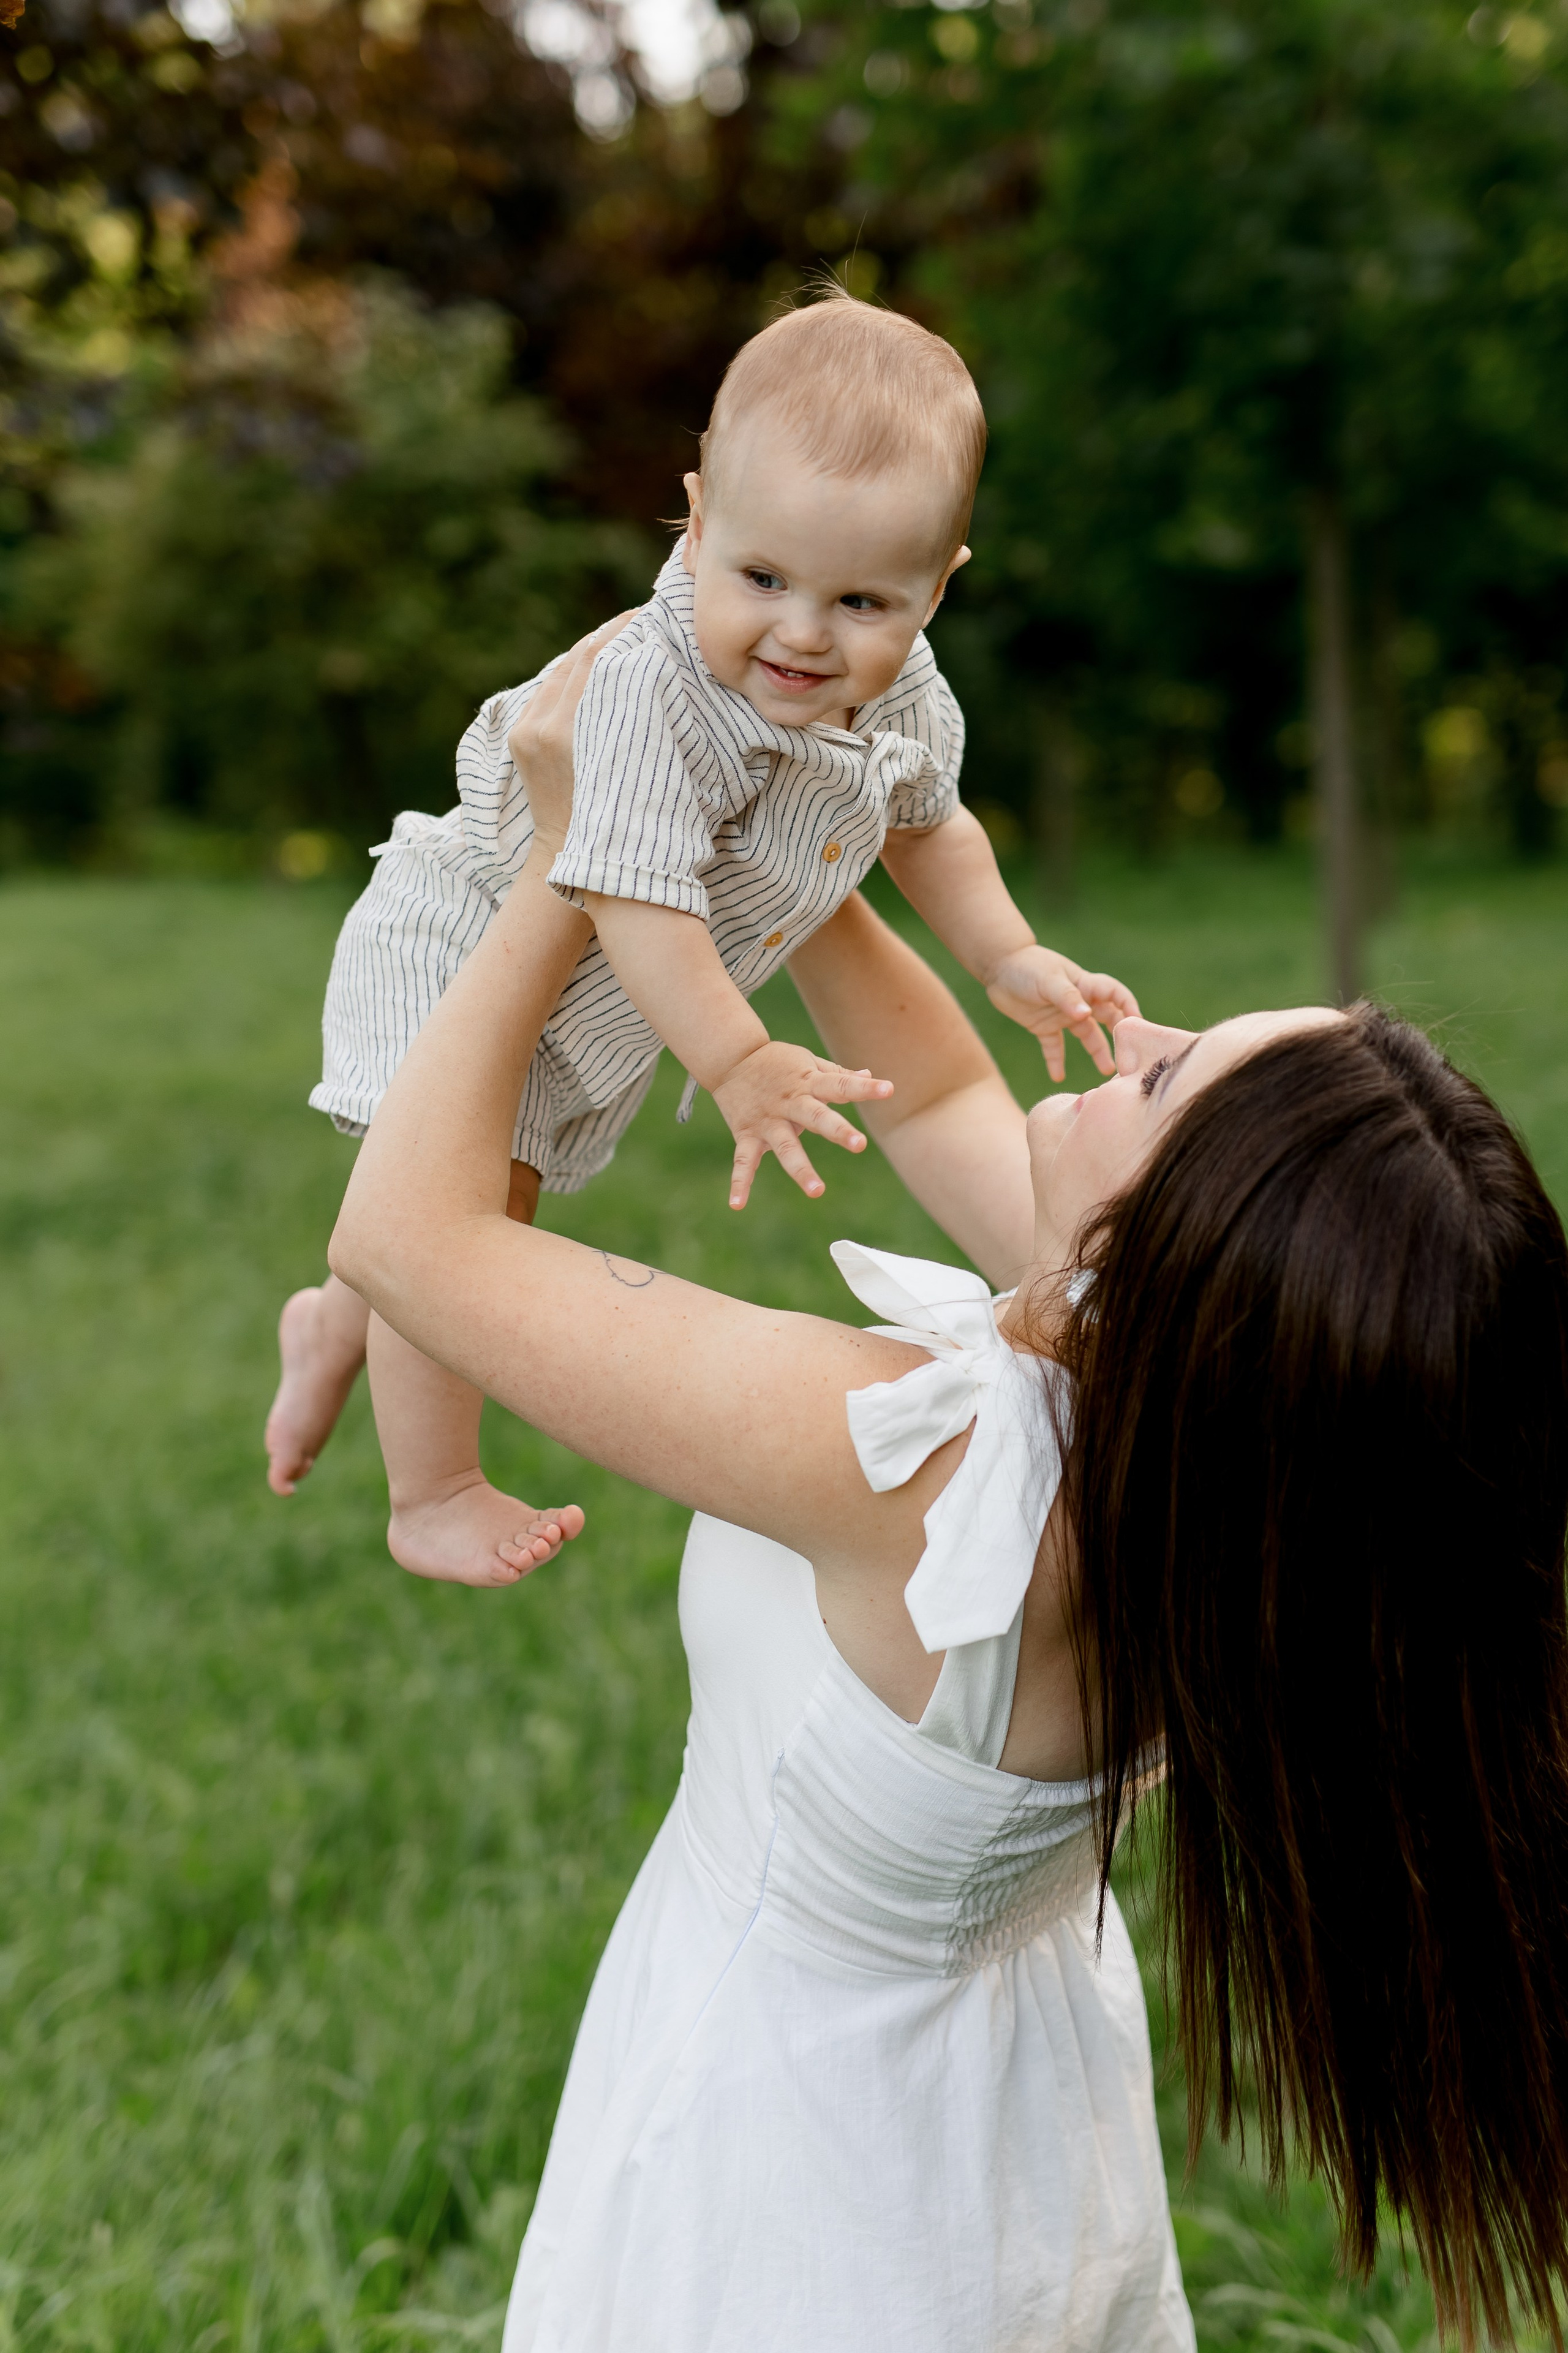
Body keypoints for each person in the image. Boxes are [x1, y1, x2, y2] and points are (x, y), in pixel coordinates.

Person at [329, 633, 1568, 2352]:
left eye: (1164, 1075)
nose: (1141, 1030)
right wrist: (771, 798)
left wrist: (573, 849)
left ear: (1169, 1251)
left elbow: (405, 1236)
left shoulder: (916, 1468)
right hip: (1002, 2140)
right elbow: (937, 1092)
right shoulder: (1196, 1449)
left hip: (795, 2179)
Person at [265, 286, 1137, 1590]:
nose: (803, 632)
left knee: (451, 1202)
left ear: (939, 583)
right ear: (695, 515)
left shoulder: (900, 687)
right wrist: (737, 1059)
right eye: (763, 577)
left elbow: (931, 826)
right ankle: (432, 1488)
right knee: (475, 1201)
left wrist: (1004, 954)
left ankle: (336, 1321)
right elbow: (632, 896)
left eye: (862, 599)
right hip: (464, 940)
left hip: (602, 992)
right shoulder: (648, 691)